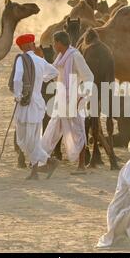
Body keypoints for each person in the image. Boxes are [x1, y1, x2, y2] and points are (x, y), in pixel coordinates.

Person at [41, 31, 94, 174]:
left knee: (78, 131)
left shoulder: (75, 56)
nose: (53, 45)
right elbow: (52, 72)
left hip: (74, 99)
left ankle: (81, 166)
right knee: (53, 129)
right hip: (62, 98)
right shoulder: (60, 57)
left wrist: (81, 97)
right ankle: (43, 160)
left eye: (54, 42)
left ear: (59, 43)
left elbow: (89, 77)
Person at [10, 33, 59, 180]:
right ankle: (35, 171)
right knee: (34, 139)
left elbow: (17, 78)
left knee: (25, 140)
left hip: (26, 103)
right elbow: (54, 72)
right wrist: (42, 79)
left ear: (22, 47)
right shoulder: (40, 60)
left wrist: (18, 95)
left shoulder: (21, 60)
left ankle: (50, 161)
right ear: (30, 45)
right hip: (38, 102)